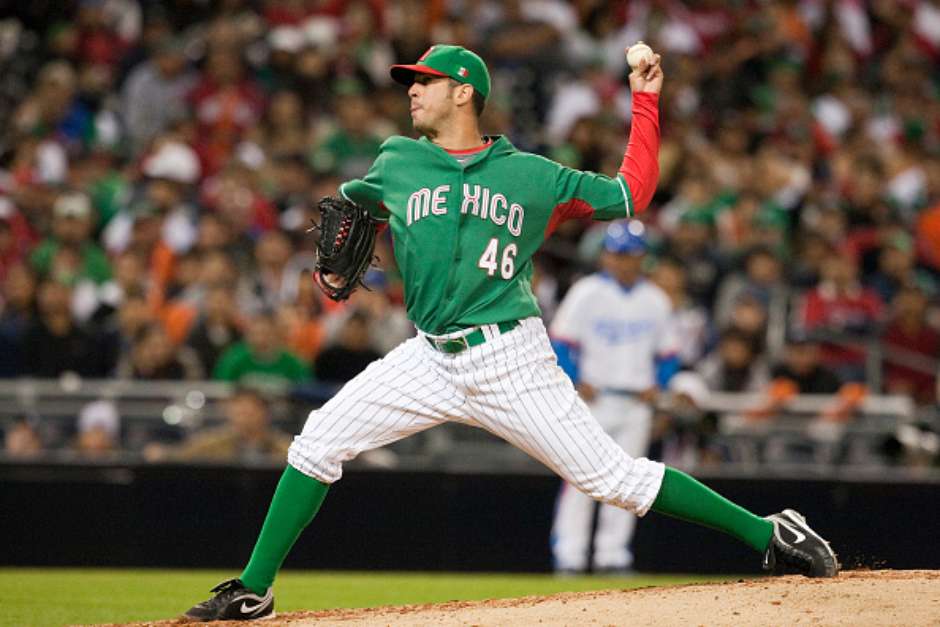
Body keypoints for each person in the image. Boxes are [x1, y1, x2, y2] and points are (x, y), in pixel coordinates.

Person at [184, 44, 837, 622]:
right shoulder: (398, 160)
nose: (411, 88)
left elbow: (631, 192)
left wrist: (645, 101)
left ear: (463, 91)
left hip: (509, 357)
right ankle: (255, 588)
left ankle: (768, 532)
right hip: (428, 356)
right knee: (318, 440)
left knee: (615, 480)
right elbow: (354, 200)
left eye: (424, 80)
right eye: (410, 80)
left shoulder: (530, 175)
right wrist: (346, 233)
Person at [549, 220, 680, 574]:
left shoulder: (655, 299)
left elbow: (669, 355)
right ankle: (570, 556)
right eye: (619, 253)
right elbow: (561, 342)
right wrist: (573, 378)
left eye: (632, 254)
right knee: (580, 479)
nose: (624, 261)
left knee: (627, 483)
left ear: (642, 258)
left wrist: (660, 384)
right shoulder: (587, 292)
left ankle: (613, 556)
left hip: (636, 403)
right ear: (606, 255)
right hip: (593, 399)